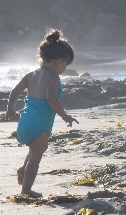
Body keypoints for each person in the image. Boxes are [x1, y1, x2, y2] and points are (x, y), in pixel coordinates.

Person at [5, 29, 79, 197]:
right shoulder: (53, 77)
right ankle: (26, 190)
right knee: (35, 159)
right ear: (59, 62)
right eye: (66, 64)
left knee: (34, 151)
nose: (65, 69)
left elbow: (14, 92)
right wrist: (65, 116)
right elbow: (51, 99)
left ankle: (23, 170)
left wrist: (10, 109)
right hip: (40, 124)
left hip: (25, 121)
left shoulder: (31, 75)